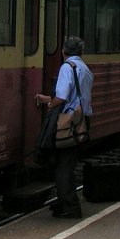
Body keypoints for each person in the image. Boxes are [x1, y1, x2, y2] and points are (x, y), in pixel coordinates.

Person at [35, 36, 93, 218]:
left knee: (62, 166)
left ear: (63, 52)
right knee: (67, 162)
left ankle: (71, 206)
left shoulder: (67, 68)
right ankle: (62, 202)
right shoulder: (85, 69)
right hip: (82, 120)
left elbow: (61, 97)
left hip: (67, 123)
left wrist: (48, 103)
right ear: (81, 52)